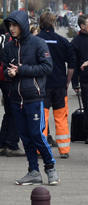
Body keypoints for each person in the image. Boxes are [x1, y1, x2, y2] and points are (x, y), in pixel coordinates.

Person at [2, 10, 57, 185]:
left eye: (14, 25)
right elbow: (5, 70)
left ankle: (50, 168)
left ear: (23, 26)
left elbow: (47, 68)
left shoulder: (38, 43)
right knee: (25, 137)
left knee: (36, 134)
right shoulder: (8, 46)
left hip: (34, 97)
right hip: (16, 99)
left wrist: (21, 69)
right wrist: (9, 73)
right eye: (9, 25)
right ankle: (33, 171)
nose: (11, 29)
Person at [37, 12, 75, 159]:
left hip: (42, 86)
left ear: (40, 23)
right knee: (61, 117)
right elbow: (72, 64)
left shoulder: (36, 41)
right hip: (60, 85)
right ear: (54, 24)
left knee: (42, 118)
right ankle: (64, 150)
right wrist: (67, 81)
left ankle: (41, 150)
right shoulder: (63, 41)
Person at [0, 23, 25, 157]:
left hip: (4, 81)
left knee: (9, 113)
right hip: (9, 81)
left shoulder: (3, 39)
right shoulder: (11, 42)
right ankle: (11, 145)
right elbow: (5, 64)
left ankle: (2, 145)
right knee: (15, 113)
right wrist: (1, 77)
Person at [71, 14, 88, 143]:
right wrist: (75, 83)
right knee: (87, 107)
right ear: (82, 26)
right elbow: (74, 65)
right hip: (85, 79)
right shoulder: (76, 43)